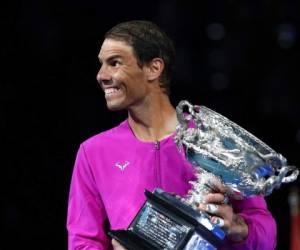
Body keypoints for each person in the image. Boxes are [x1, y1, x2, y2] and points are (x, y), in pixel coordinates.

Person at [67, 20, 277, 250]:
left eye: (114, 63)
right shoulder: (94, 152)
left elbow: (266, 235)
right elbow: (83, 241)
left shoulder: (209, 137)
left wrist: (238, 228)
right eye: (101, 64)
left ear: (154, 68)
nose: (101, 75)